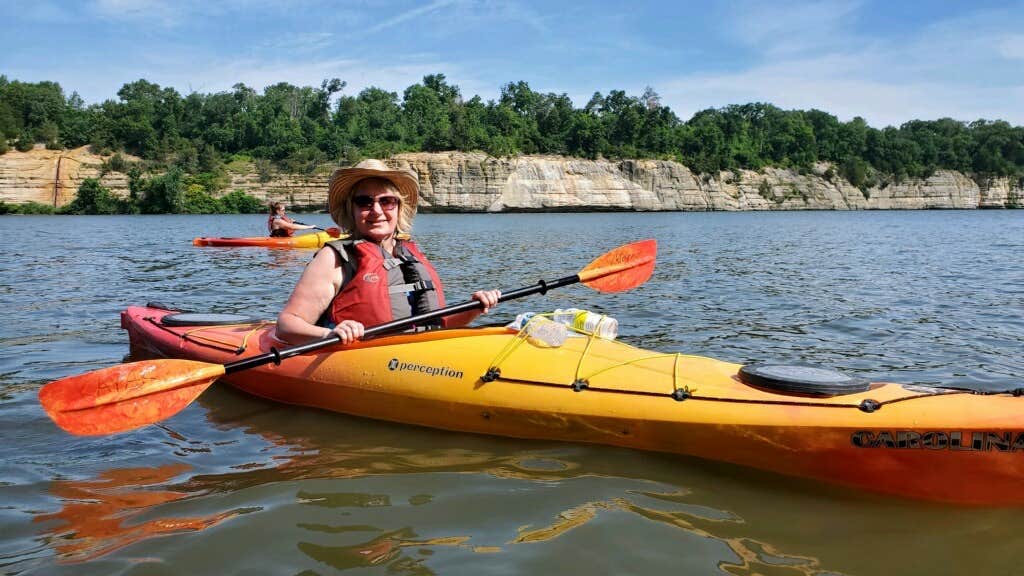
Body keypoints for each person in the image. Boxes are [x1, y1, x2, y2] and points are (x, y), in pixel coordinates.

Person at [275, 159, 500, 344]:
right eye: (364, 202)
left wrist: (474, 309)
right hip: (362, 360)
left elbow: (434, 327)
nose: (376, 210)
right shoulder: (334, 258)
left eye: (387, 201)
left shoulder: (409, 253)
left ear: (399, 207)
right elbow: (287, 325)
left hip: (416, 361)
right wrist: (331, 334)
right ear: (350, 210)